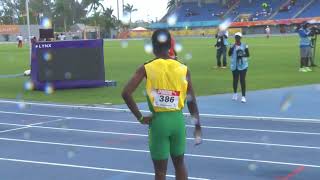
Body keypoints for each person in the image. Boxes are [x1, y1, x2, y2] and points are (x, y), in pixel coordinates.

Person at [122, 29, 202, 180]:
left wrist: (140, 118)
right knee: (180, 165)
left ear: (153, 47)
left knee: (160, 172)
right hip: (178, 122)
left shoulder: (146, 68)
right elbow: (191, 100)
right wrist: (197, 126)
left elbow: (126, 93)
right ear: (170, 46)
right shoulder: (183, 69)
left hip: (159, 123)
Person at [228, 32, 250, 103]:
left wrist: (242, 54)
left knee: (242, 80)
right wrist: (232, 48)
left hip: (243, 66)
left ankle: (243, 96)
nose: (237, 38)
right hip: (234, 66)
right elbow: (229, 54)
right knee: (235, 80)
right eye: (236, 37)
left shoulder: (244, 45)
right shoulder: (232, 45)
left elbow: (248, 54)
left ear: (241, 38)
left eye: (238, 37)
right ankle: (235, 94)